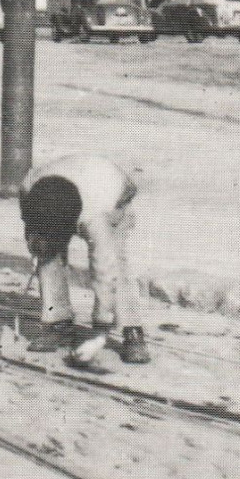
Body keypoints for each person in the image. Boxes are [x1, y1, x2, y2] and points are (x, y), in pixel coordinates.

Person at [18, 153, 150, 365]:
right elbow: (34, 228)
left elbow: (105, 274)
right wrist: (37, 247)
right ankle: (57, 321)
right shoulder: (30, 187)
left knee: (115, 262)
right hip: (75, 179)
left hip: (113, 191)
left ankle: (131, 329)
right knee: (47, 253)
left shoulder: (97, 217)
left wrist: (100, 334)